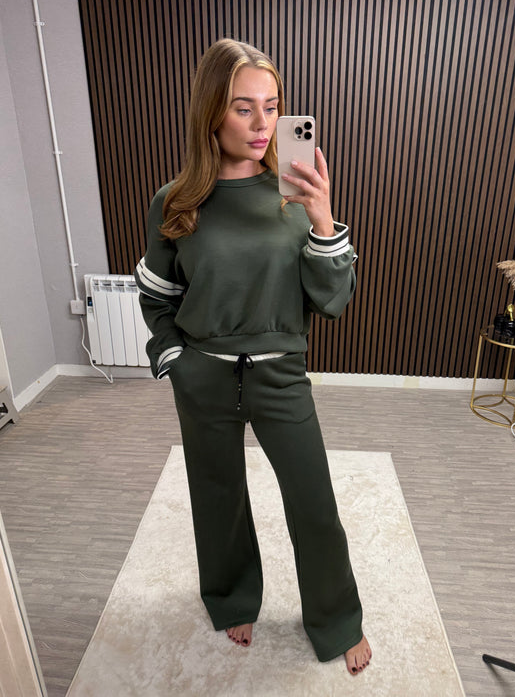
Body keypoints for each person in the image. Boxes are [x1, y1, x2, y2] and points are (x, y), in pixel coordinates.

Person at [135, 38, 372, 676]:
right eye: (244, 108)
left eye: (271, 106)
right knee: (218, 496)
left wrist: (322, 220)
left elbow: (333, 300)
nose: (263, 123)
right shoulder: (174, 201)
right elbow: (157, 297)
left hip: (280, 374)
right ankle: (232, 597)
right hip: (204, 375)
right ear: (212, 112)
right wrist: (174, 357)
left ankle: (336, 618)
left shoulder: (295, 194)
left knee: (314, 502)